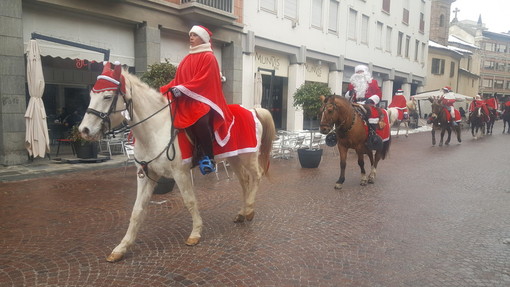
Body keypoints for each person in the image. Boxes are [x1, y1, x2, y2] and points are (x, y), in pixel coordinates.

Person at [160, 25, 234, 175]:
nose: (191, 37)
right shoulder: (187, 58)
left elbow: (204, 80)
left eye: (195, 35)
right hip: (187, 99)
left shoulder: (209, 57)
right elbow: (178, 80)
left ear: (203, 38)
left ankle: (209, 157)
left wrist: (182, 89)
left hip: (204, 99)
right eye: (191, 35)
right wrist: (164, 90)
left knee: (200, 121)